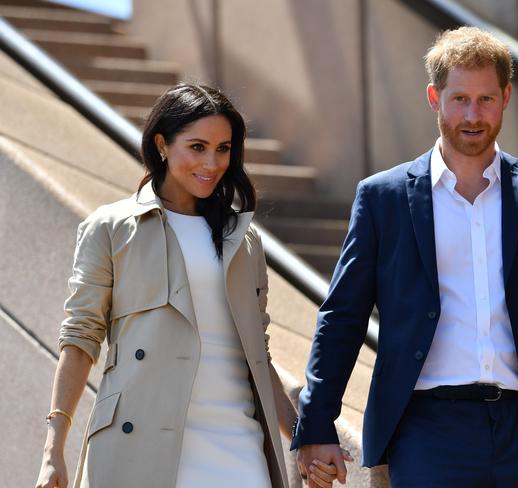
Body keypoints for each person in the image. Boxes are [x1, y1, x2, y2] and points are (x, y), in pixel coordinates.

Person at [291, 27, 518, 487]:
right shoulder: (384, 198)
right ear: (433, 97)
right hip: (426, 428)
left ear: (506, 97)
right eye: (459, 99)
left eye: (485, 99)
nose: (473, 115)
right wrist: (316, 422)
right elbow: (342, 315)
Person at [35, 83, 332, 488]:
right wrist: (53, 450)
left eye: (223, 149)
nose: (212, 163)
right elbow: (80, 336)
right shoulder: (110, 228)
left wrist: (303, 437)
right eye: (197, 147)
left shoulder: (243, 239)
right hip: (136, 440)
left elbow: (257, 353)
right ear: (162, 144)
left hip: (237, 442)